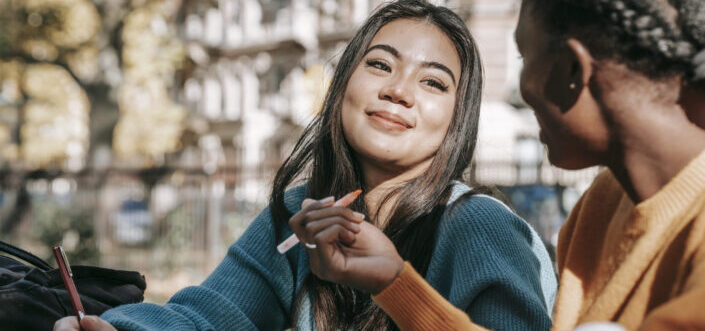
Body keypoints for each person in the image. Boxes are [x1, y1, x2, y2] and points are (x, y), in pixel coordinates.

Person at [53, 1, 556, 330]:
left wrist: (398, 284)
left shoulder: (480, 226)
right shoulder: (297, 213)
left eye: (433, 83)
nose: (398, 91)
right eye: (379, 64)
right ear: (342, 87)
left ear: (457, 119)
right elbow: (213, 315)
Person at [296, 0, 705, 330]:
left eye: (524, 56)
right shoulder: (603, 205)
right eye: (379, 65)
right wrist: (395, 283)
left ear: (570, 71)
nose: (398, 92)